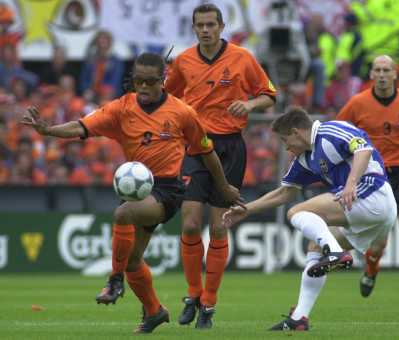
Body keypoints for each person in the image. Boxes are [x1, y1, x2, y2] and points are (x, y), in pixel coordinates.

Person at [21, 52, 242, 334]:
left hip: (167, 189)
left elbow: (206, 152)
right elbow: (82, 126)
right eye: (139, 81)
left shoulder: (182, 112)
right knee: (134, 261)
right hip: (138, 192)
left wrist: (222, 186)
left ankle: (114, 280)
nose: (144, 87)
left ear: (162, 81)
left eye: (150, 82)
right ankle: (154, 312)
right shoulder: (121, 108)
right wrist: (49, 130)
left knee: (123, 214)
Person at [223, 107, 397, 331]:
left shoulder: (332, 131)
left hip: (374, 193)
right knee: (315, 244)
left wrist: (351, 184)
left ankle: (335, 253)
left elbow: (363, 151)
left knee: (295, 213)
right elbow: (285, 192)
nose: (286, 147)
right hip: (368, 210)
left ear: (297, 132)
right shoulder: (305, 158)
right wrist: (246, 210)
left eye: (286, 140)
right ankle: (300, 318)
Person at [164, 3, 276, 329]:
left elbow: (269, 94)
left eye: (211, 24)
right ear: (194, 28)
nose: (205, 30)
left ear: (222, 25)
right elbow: (167, 98)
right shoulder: (184, 61)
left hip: (230, 148)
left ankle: (209, 305)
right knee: (188, 222)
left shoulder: (242, 58)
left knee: (218, 226)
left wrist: (251, 103)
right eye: (200, 25)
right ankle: (193, 294)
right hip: (197, 145)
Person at [336, 55, 399, 307]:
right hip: (372, 176)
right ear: (371, 75)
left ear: (394, 74)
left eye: (386, 70)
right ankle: (371, 269)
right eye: (377, 70)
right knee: (378, 244)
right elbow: (338, 131)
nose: (381, 74)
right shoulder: (357, 103)